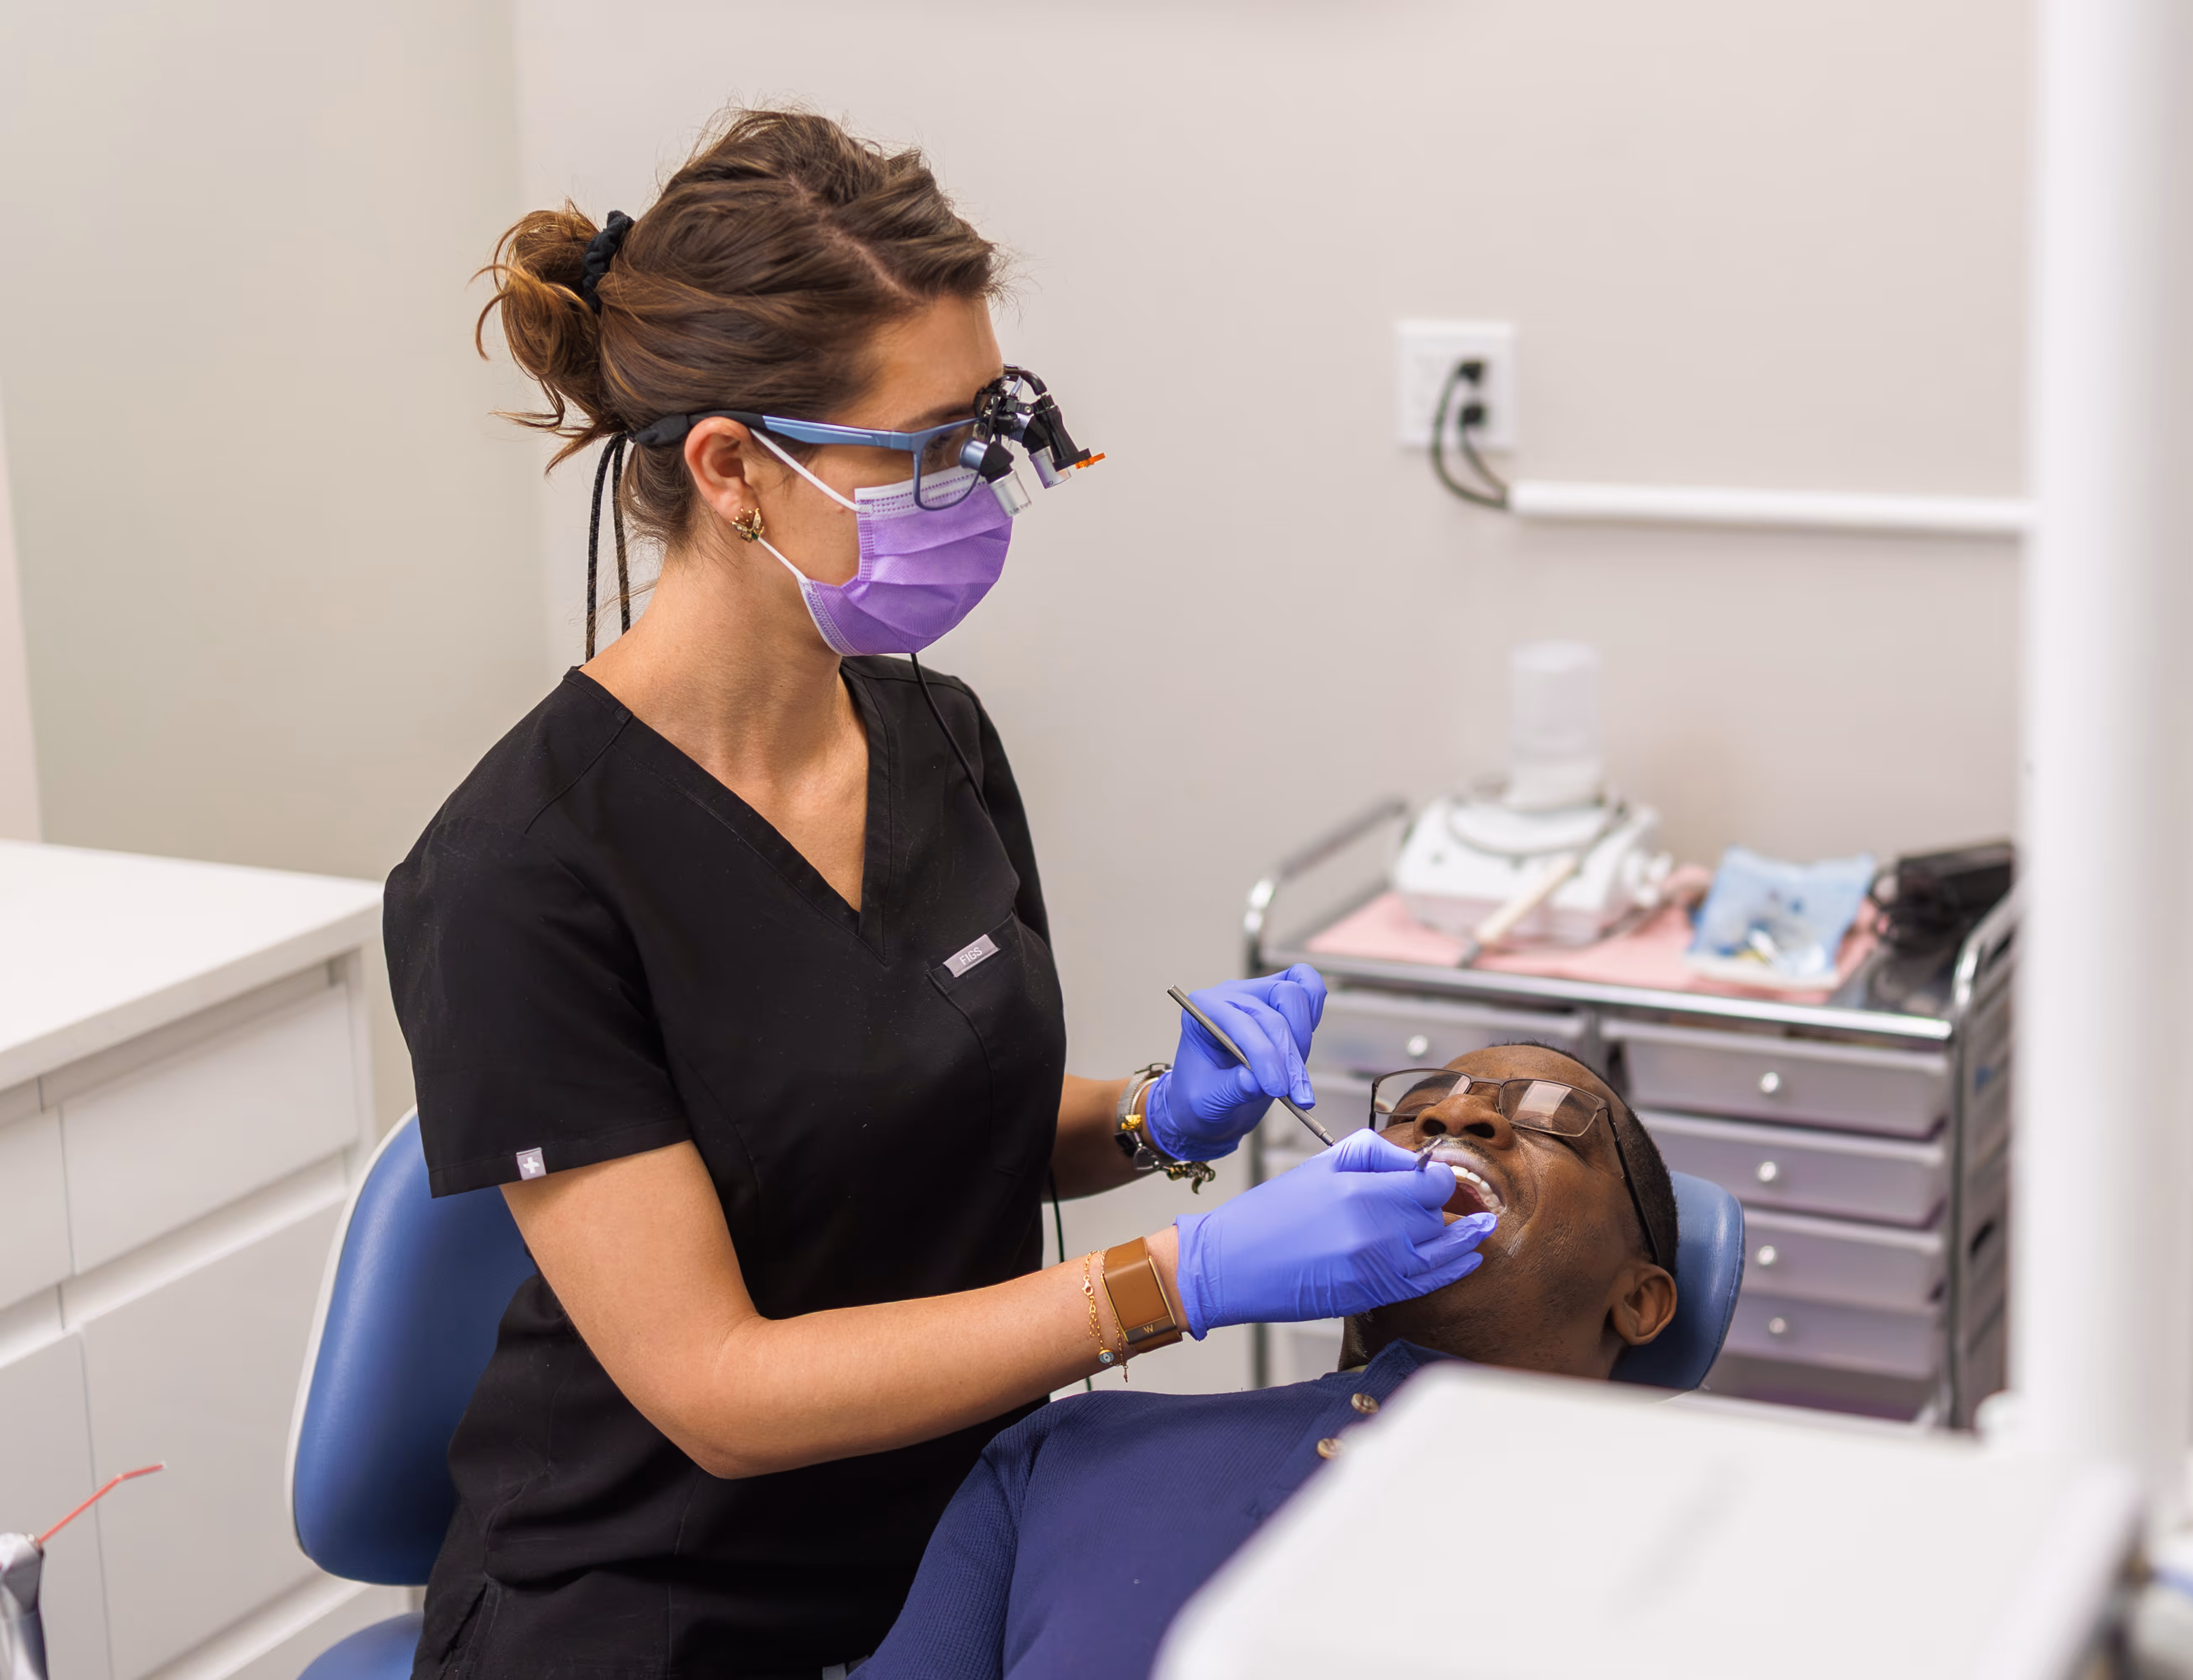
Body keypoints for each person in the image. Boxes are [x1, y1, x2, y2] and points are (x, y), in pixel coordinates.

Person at [384, 109, 1496, 1678]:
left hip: (974, 1518)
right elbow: (717, 1391)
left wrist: (1152, 1118)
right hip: (672, 1601)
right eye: (928, 455)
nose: (976, 491)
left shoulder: (934, 735)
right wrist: (1180, 1282)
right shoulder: (515, 876)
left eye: (991, 435)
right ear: (732, 470)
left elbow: (915, 1126)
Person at [855, 1043, 1686, 1680]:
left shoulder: (1683, 1539)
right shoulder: (1064, 1450)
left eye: (1549, 1115)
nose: (1454, 1116)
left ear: (1640, 1300)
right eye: (1416, 1107)